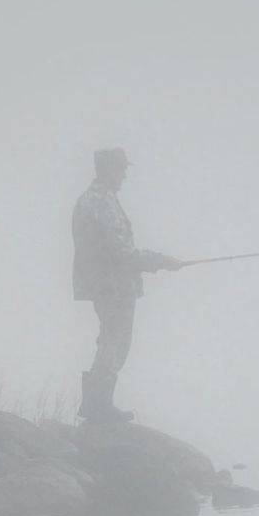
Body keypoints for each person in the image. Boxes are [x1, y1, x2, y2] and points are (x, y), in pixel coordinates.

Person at [71, 148, 183, 423]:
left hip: (105, 283)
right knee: (115, 341)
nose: (124, 176)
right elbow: (122, 253)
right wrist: (160, 260)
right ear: (108, 169)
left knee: (111, 339)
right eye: (122, 170)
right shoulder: (102, 202)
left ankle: (97, 406)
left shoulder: (92, 199)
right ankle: (99, 407)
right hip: (113, 285)